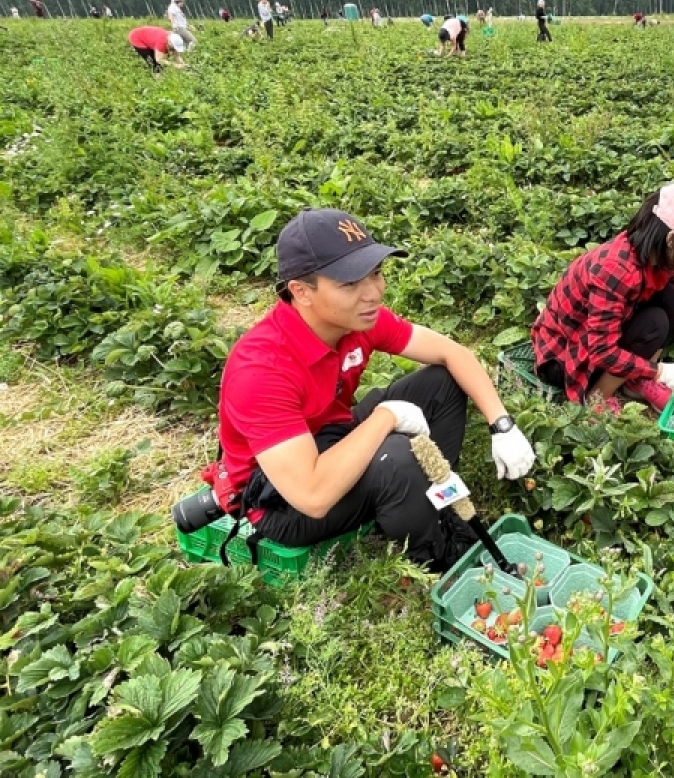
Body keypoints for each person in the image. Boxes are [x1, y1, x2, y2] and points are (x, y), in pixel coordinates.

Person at [211, 208, 536, 572]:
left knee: (440, 383)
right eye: (350, 284)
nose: (374, 293)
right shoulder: (261, 370)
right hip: (279, 501)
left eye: (376, 273)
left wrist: (502, 425)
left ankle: (431, 502)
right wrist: (386, 417)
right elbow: (312, 495)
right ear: (301, 291)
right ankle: (439, 558)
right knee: (395, 456)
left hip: (329, 436)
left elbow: (452, 352)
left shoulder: (357, 320)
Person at [531, 183, 674, 414]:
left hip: (597, 339)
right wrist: (662, 372)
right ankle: (597, 399)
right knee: (654, 324)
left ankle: (634, 380)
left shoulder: (656, 257)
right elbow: (603, 352)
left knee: (669, 298)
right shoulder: (615, 269)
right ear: (672, 239)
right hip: (565, 358)